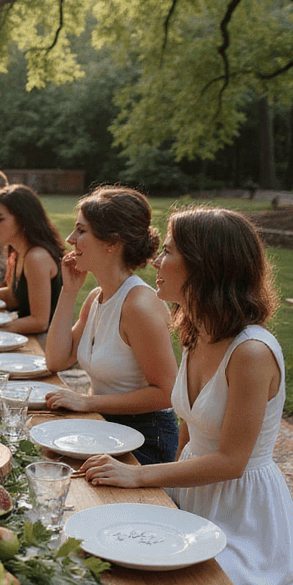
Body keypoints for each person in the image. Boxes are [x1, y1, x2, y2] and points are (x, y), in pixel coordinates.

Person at [80, 207, 293, 585]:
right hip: (193, 491)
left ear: (204, 266)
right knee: (109, 551)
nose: (156, 261)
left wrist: (139, 475)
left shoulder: (251, 352)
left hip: (242, 515)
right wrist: (168, 494)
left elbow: (232, 461)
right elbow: (189, 425)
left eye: (167, 252)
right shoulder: (195, 328)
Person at [42, 186, 179, 465]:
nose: (70, 239)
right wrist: (68, 292)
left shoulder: (139, 306)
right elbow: (56, 359)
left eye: (81, 231)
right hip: (104, 426)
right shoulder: (96, 297)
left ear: (112, 242)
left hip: (146, 436)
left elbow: (167, 394)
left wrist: (87, 402)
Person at [0, 183, 63, 335]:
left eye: (0, 219)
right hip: (25, 334)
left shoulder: (36, 258)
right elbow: (13, 297)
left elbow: (40, 322)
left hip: (43, 343)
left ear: (22, 219)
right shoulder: (15, 250)